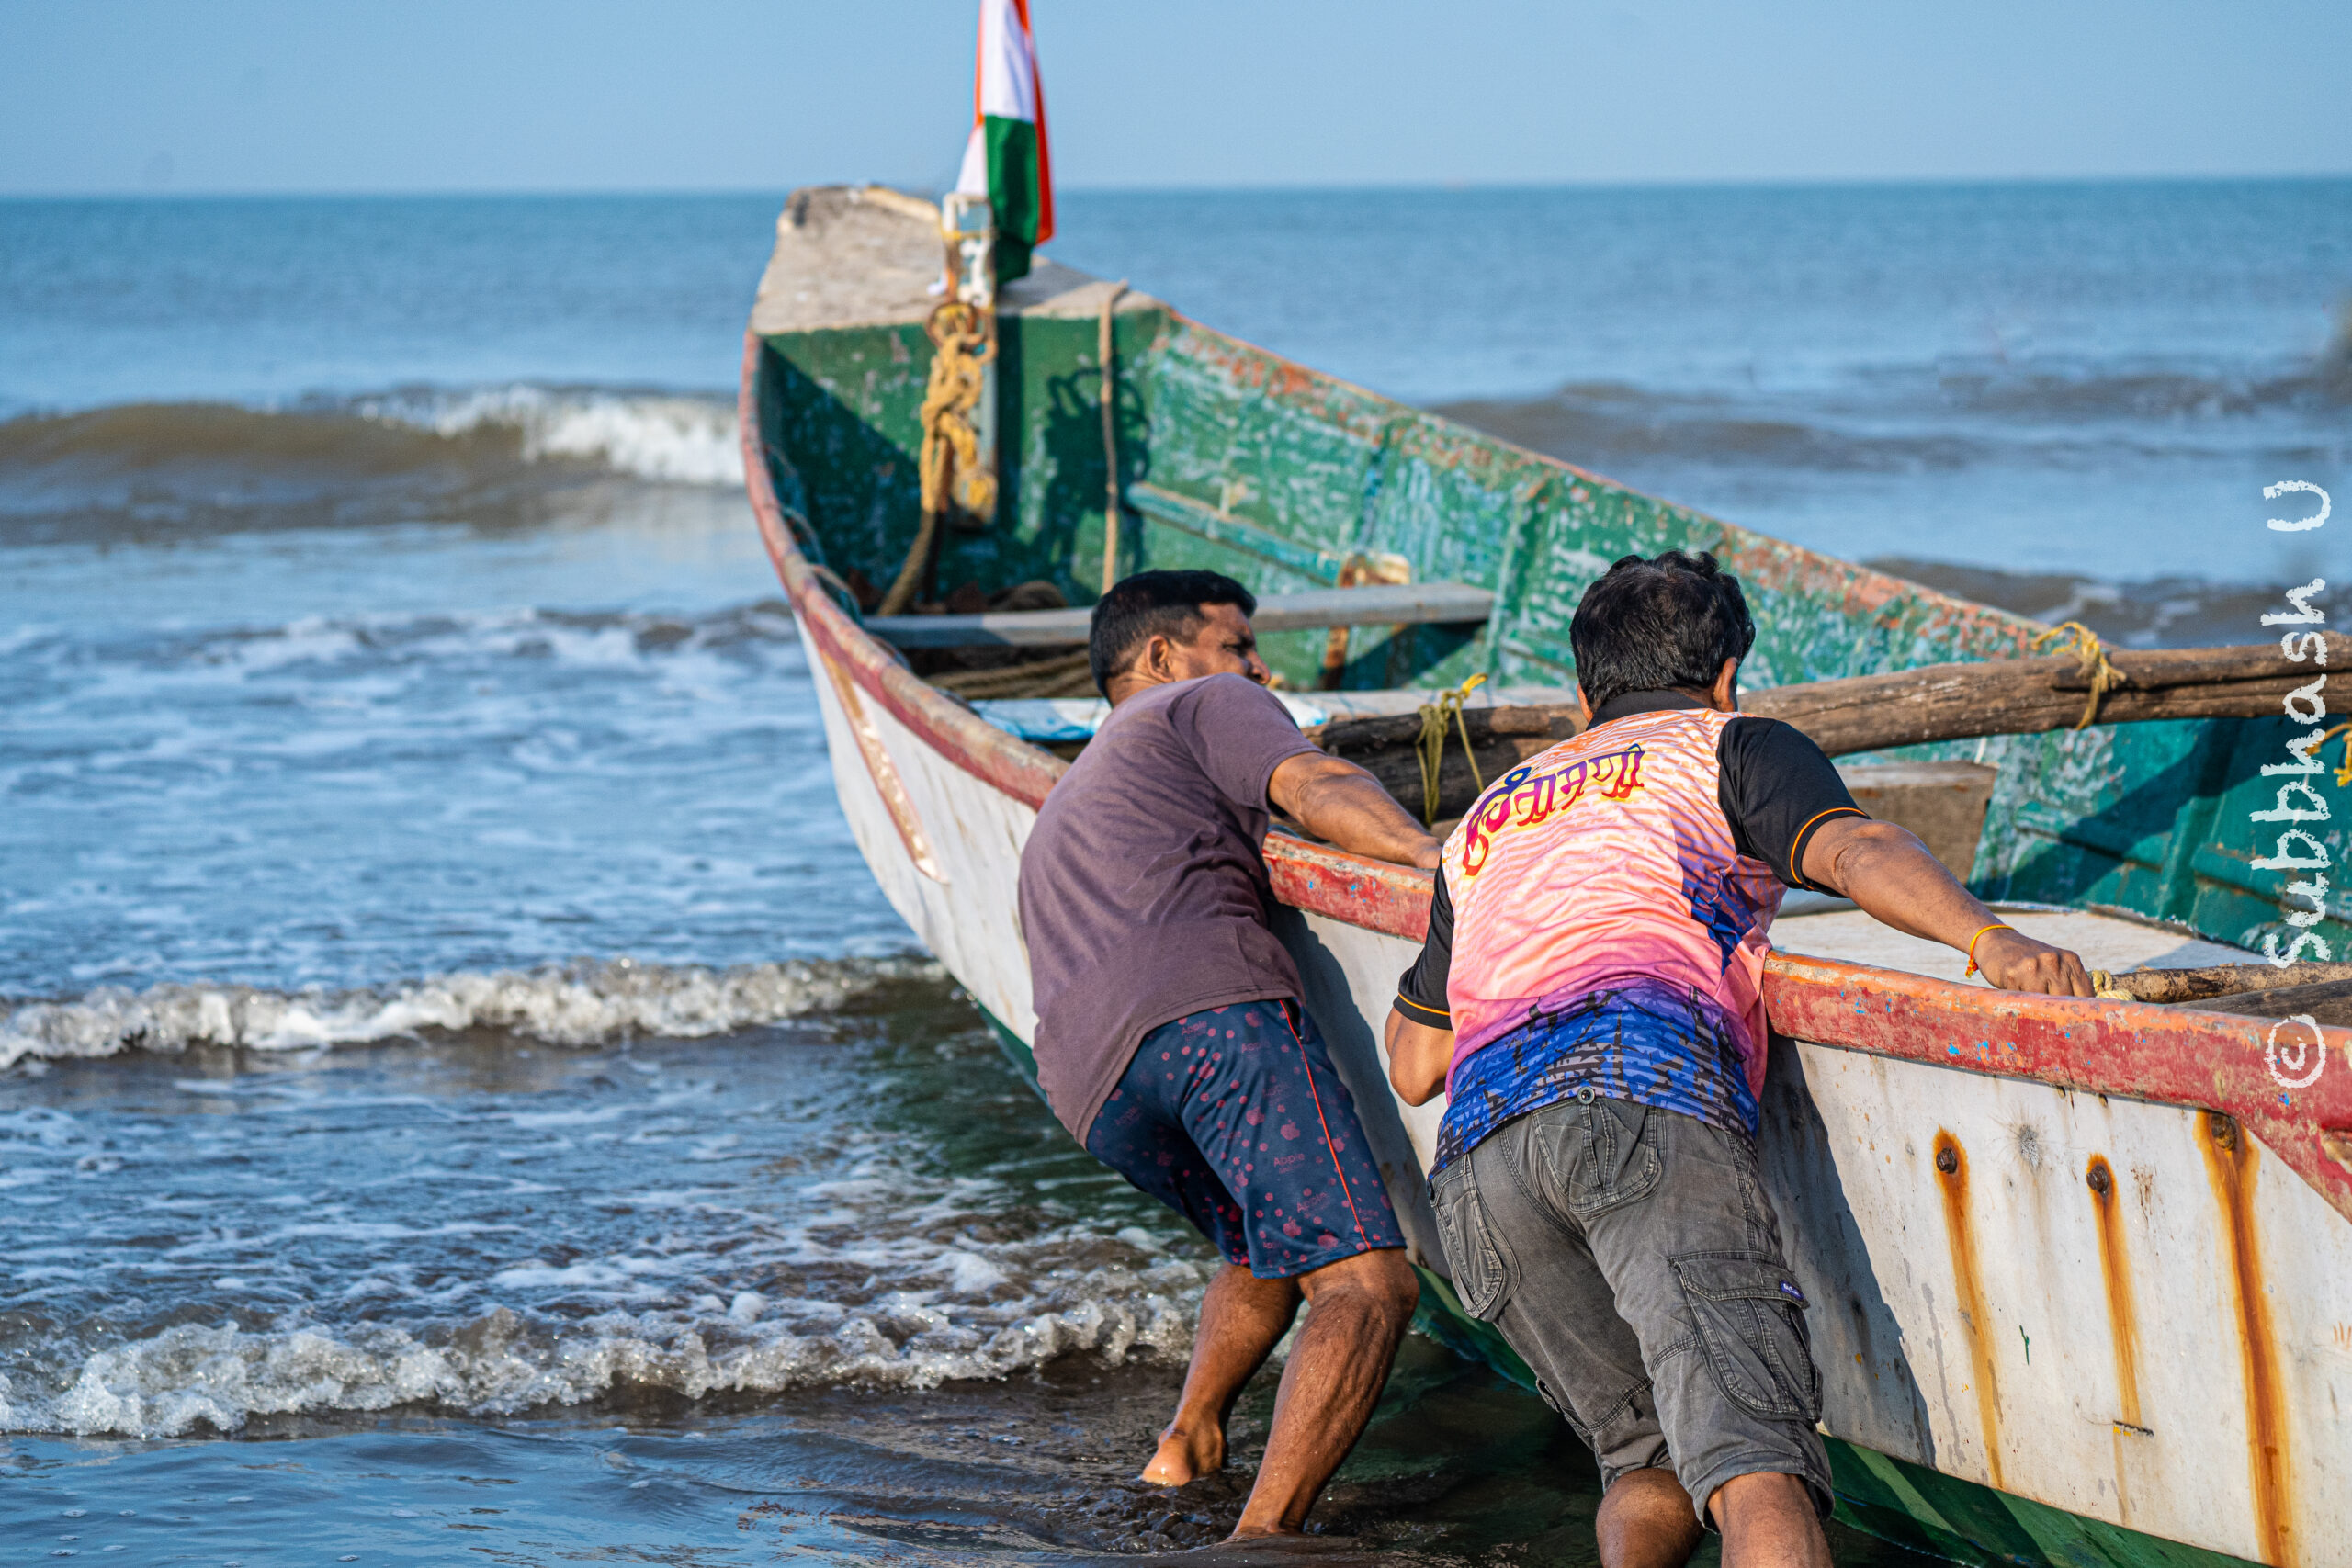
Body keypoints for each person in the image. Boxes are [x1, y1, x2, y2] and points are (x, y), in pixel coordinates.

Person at [1384, 551, 2091, 1568]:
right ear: (1724, 676)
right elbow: (1850, 851)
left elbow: (1414, 1061)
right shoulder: (1730, 745)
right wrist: (1991, 941)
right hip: (1640, 1100)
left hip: (1478, 1172)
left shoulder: (1491, 816)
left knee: (1643, 1466)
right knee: (1754, 1465)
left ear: (1582, 695)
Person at [1017, 569, 1441, 1538]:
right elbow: (1315, 782)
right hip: (1209, 1020)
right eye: (1239, 644)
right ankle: (1261, 1540)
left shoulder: (1079, 787)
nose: (1259, 667)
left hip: (1093, 1090)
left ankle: (1187, 1437)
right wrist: (1433, 860)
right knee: (1368, 1282)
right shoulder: (1204, 702)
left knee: (1268, 1242)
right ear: (1162, 658)